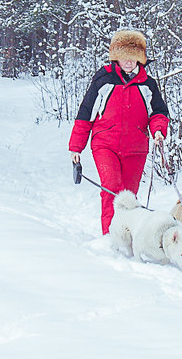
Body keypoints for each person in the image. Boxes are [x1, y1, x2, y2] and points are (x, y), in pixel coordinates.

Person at [69, 29, 170, 234]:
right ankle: (109, 235)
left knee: (129, 196)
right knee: (112, 188)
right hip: (105, 144)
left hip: (136, 148)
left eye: (133, 58)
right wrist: (76, 147)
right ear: (117, 57)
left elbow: (158, 112)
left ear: (140, 59)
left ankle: (125, 234)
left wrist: (158, 131)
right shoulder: (104, 80)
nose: (129, 62)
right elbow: (86, 112)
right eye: (124, 57)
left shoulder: (148, 85)